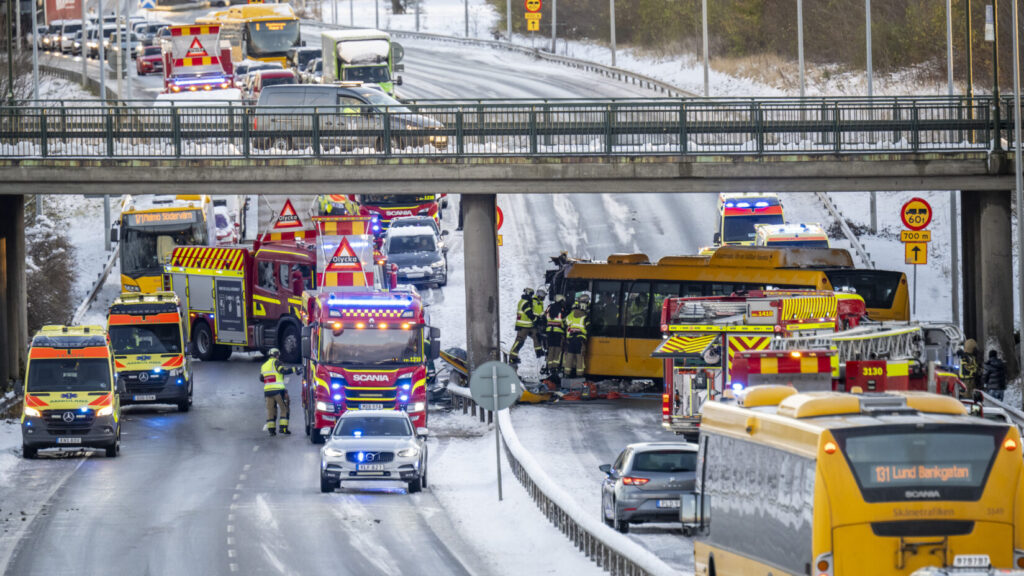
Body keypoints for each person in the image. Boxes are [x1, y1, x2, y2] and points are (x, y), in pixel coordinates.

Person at [260, 348, 302, 436]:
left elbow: (261, 378)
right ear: (277, 355)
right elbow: (283, 371)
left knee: (271, 410)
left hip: (267, 392)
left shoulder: (264, 365)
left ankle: (271, 430)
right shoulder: (276, 362)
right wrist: (294, 369)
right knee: (284, 408)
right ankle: (283, 428)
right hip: (278, 391)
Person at [562, 293, 591, 384]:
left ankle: (567, 373)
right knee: (580, 358)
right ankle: (579, 375)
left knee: (569, 356)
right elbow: (589, 327)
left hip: (570, 339)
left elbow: (565, 322)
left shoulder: (571, 313)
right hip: (580, 339)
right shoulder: (586, 316)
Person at [510, 287, 543, 365]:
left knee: (537, 336)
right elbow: (528, 313)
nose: (532, 296)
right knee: (519, 342)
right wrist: (535, 319)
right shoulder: (524, 301)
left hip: (529, 325)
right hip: (523, 326)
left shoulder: (528, 301)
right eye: (531, 294)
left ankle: (539, 352)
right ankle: (512, 357)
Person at [543, 293, 569, 377]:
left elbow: (544, 317)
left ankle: (550, 367)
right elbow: (565, 320)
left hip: (549, 332)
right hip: (558, 332)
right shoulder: (562, 309)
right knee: (557, 350)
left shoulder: (549, 307)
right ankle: (555, 367)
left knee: (550, 350)